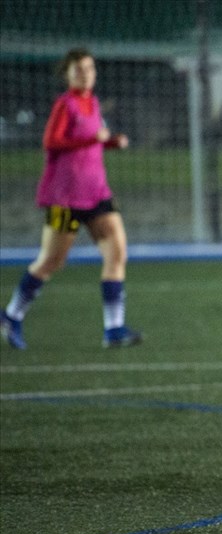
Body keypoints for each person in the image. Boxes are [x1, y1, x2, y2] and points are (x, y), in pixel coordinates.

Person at [0, 48, 141, 350]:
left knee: (117, 253)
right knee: (51, 261)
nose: (85, 73)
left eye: (89, 68)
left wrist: (112, 143)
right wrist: (94, 139)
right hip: (65, 197)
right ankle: (12, 315)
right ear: (67, 74)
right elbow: (51, 141)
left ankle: (114, 328)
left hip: (96, 193)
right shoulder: (65, 104)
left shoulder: (92, 102)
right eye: (78, 69)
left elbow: (90, 149)